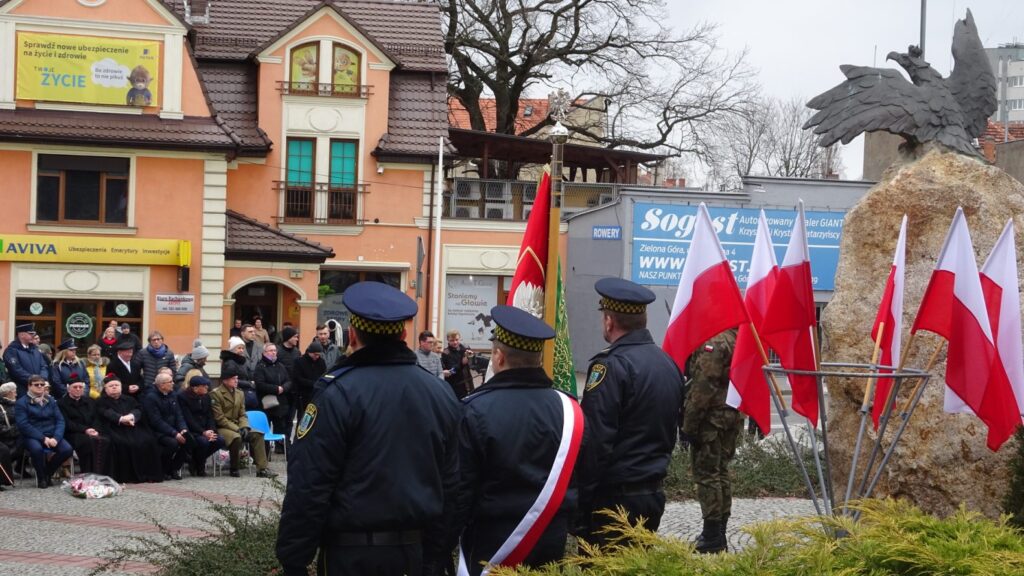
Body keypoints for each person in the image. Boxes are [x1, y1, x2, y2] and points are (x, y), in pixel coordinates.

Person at [276, 281, 461, 576]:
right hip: (417, 552)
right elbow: (452, 485)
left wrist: (294, 560)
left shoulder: (336, 392)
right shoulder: (440, 393)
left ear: (352, 335)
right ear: (402, 334)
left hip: (351, 556)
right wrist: (436, 553)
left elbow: (310, 483)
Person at [451, 306, 583, 575]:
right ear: (537, 358)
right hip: (550, 538)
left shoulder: (474, 410)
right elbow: (585, 476)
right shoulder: (570, 410)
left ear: (498, 357)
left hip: (491, 544)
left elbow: (459, 491)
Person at [575, 278, 685, 546]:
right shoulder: (666, 363)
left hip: (614, 502)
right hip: (652, 494)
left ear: (609, 321)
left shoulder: (610, 366)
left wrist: (580, 503)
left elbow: (596, 442)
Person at [682, 329, 742, 554]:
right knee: (721, 473)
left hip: (711, 420)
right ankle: (719, 532)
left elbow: (703, 386)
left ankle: (712, 535)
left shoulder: (715, 340)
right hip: (730, 416)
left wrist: (689, 424)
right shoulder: (737, 336)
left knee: (708, 476)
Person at [95, 375, 163, 484]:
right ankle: (127, 476)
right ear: (105, 388)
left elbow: (138, 409)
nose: (114, 387)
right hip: (114, 428)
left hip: (132, 426)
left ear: (121, 387)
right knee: (123, 443)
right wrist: (121, 419)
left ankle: (148, 474)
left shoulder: (129, 399)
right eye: (111, 386)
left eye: (116, 385)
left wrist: (131, 416)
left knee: (148, 440)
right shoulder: (100, 401)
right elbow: (105, 412)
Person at [210, 363, 274, 478]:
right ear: (225, 380)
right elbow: (220, 419)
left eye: (237, 378)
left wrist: (245, 427)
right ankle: (234, 468)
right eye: (233, 378)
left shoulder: (239, 393)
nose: (236, 381)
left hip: (238, 425)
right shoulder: (216, 394)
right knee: (236, 437)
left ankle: (262, 469)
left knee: (257, 434)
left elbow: (242, 414)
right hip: (223, 427)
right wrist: (237, 428)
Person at [15, 374, 73, 488]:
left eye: (42, 385)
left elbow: (60, 420)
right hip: (31, 435)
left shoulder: (50, 400)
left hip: (51, 433)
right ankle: (42, 478)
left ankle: (47, 473)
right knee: (37, 450)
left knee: (67, 449)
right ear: (29, 386)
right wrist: (43, 438)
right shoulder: (21, 403)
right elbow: (23, 425)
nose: (40, 387)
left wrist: (56, 438)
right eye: (37, 385)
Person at [142, 373, 193, 480]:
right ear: (162, 385)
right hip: (157, 431)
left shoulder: (173, 394)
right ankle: (164, 469)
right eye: (170, 382)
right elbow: (156, 421)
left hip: (173, 429)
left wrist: (183, 429)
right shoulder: (151, 397)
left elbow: (179, 415)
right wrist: (174, 433)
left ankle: (174, 469)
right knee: (173, 443)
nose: (173, 383)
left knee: (188, 439)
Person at [57, 376, 109, 474]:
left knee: (107, 440)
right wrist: (85, 430)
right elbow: (66, 422)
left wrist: (95, 429)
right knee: (87, 443)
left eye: (80, 387)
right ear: (68, 389)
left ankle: (103, 472)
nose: (78, 389)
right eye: (75, 387)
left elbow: (97, 418)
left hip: (92, 431)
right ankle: (87, 473)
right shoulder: (61, 403)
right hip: (73, 433)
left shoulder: (90, 401)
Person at [178, 374, 225, 477]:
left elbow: (210, 415)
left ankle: (194, 460)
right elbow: (188, 418)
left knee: (220, 440)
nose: (206, 387)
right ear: (195, 388)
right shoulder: (183, 397)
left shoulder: (206, 397)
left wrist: (211, 430)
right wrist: (203, 432)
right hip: (193, 430)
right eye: (203, 386)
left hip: (206, 429)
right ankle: (200, 466)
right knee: (203, 442)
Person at [255, 343, 292, 451]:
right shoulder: (260, 367)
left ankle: (280, 449)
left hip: (280, 403)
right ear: (264, 353)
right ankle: (265, 452)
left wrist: (283, 388)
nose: (273, 352)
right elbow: (260, 384)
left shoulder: (280, 365)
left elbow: (288, 381)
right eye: (270, 350)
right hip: (266, 403)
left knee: (280, 427)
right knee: (265, 429)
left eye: (275, 350)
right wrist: (276, 389)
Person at [3, 323, 51, 397]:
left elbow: (43, 366)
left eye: (33, 334)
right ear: (22, 335)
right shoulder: (11, 351)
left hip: (39, 388)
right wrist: (34, 381)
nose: (33, 336)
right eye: (30, 334)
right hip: (22, 391)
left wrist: (41, 380)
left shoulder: (35, 350)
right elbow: (16, 370)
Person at [221, 336, 259, 410]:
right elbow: (230, 380)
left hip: (242, 392)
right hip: (234, 393)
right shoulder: (230, 362)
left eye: (242, 348)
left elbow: (246, 374)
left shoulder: (241, 361)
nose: (241, 350)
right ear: (232, 349)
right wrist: (249, 384)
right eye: (239, 348)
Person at [291, 341, 325, 417]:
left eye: (319, 355)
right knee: (302, 419)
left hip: (316, 395)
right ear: (310, 352)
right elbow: (297, 378)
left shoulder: (321, 362)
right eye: (315, 354)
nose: (317, 357)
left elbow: (324, 375)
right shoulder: (299, 361)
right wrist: (313, 383)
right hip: (302, 396)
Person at [441, 330, 474, 398]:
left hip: (467, 382)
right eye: (452, 340)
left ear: (459, 338)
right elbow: (451, 371)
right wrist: (462, 363)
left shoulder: (463, 348)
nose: (455, 342)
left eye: (457, 339)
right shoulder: (446, 353)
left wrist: (470, 355)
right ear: (448, 340)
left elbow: (473, 362)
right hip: (455, 384)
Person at [0, 382, 18, 485]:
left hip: (18, 434)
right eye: (14, 392)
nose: (16, 394)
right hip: (6, 436)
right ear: (9, 393)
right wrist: (15, 430)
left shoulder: (18, 404)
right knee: (4, 450)